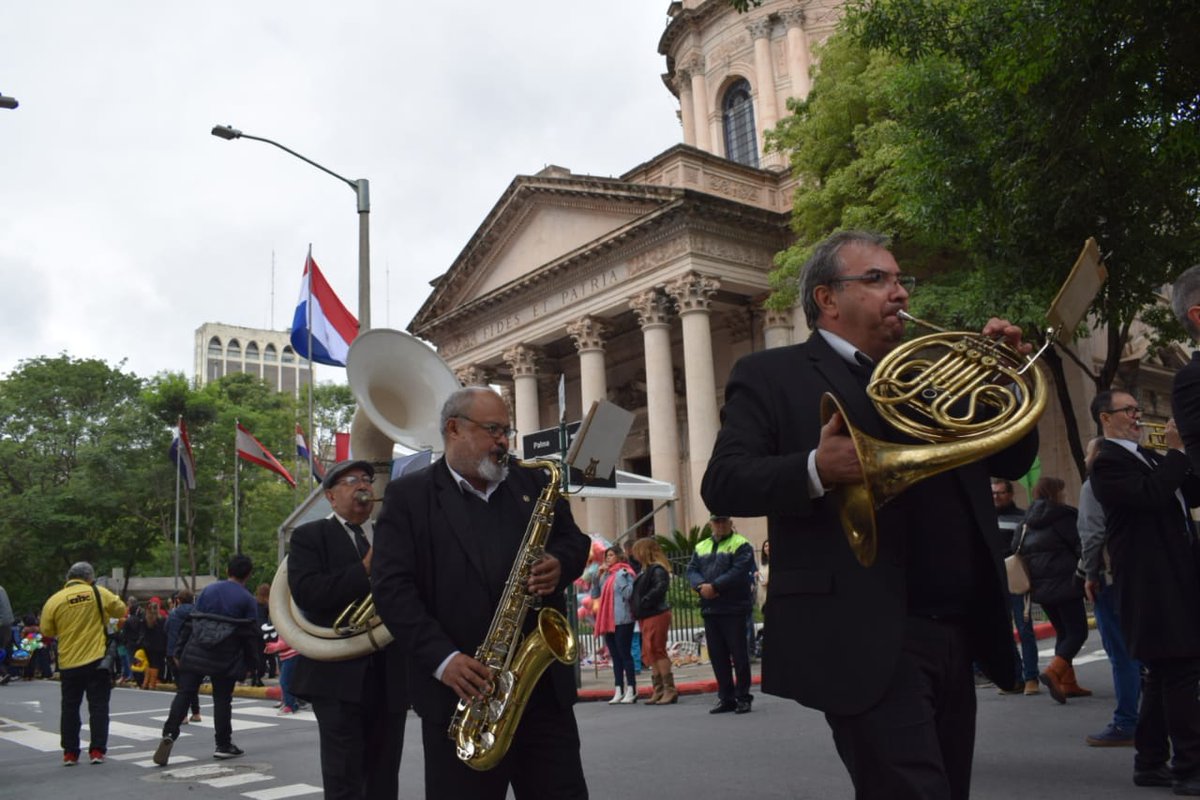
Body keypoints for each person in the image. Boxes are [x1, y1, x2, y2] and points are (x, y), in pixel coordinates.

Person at [701, 230, 1036, 799]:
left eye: (901, 279)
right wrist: (813, 467)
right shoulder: (772, 375)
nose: (900, 292)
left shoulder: (929, 370)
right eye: (877, 279)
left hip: (956, 626)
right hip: (866, 636)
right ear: (828, 299)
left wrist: (1006, 376)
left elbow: (1009, 453)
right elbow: (722, 483)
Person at [372, 386, 591, 800]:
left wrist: (560, 563)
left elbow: (574, 542)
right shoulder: (409, 497)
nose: (504, 441)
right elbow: (392, 589)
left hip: (541, 697)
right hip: (461, 700)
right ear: (454, 429)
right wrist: (444, 660)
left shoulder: (536, 482)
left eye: (507, 430)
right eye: (493, 430)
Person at [1090, 388, 1200, 792]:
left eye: (1138, 409)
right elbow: (1152, 495)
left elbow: (1188, 492)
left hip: (1175, 577)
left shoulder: (1147, 457)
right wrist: (1175, 453)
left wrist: (1188, 452)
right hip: (1151, 583)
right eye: (1129, 410)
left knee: (1163, 672)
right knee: (1183, 669)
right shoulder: (1108, 463)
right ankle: (1190, 767)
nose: (1138, 416)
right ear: (1105, 417)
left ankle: (1150, 762)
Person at [287, 459, 408, 800]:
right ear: (330, 496)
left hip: (390, 674)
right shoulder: (310, 536)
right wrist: (364, 569)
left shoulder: (391, 533)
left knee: (385, 776)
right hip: (337, 677)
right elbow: (308, 594)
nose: (363, 485)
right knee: (344, 778)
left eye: (367, 480)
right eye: (351, 480)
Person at [153, 554, 259, 766]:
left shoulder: (208, 591)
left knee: (185, 692)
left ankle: (169, 734)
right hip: (226, 655)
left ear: (228, 570)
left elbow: (192, 621)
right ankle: (223, 744)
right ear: (248, 574)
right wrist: (252, 664)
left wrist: (179, 650)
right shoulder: (247, 599)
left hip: (196, 649)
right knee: (222, 699)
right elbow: (251, 635)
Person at [1076, 436, 1138, 747]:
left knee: (1121, 653)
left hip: (1110, 577)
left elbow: (1092, 534)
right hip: (1141, 577)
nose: (1086, 458)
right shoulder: (1137, 479)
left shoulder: (1093, 487)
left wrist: (1090, 573)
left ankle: (1127, 721)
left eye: (1088, 452)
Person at [38, 562, 126, 766]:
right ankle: (96, 750)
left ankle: (70, 753)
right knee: (98, 706)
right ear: (90, 578)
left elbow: (47, 631)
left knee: (69, 707)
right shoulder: (98, 593)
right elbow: (120, 610)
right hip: (97, 660)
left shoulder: (54, 600)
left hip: (68, 662)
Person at [1019, 476, 1091, 703]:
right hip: (1066, 584)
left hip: (1040, 589)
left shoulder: (1026, 522)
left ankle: (1067, 683)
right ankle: (1054, 671)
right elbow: (1081, 545)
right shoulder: (1064, 517)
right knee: (1078, 632)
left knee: (1063, 632)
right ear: (1055, 493)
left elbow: (1016, 549)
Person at [686, 514, 755, 714]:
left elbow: (739, 571)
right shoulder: (701, 546)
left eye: (723, 521)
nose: (720, 525)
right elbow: (691, 570)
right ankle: (726, 697)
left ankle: (743, 697)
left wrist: (715, 586)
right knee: (718, 656)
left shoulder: (741, 544)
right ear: (711, 524)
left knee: (739, 655)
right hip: (710, 607)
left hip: (733, 607)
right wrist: (700, 586)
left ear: (730, 523)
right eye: (716, 521)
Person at [991, 478, 1039, 695]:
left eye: (1001, 493)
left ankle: (1031, 678)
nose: (996, 497)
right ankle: (1015, 678)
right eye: (993, 493)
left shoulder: (1022, 517)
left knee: (1025, 629)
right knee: (1002, 632)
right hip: (994, 581)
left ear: (1010, 494)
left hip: (1016, 578)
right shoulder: (986, 518)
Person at [630, 537, 677, 704]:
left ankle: (668, 689)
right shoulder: (648, 569)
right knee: (650, 651)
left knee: (657, 650)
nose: (634, 554)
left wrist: (645, 601)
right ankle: (659, 689)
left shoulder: (657, 569)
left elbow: (659, 588)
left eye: (637, 551)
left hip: (655, 614)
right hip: (647, 614)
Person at [594, 546, 638, 704]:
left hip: (623, 619)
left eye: (611, 555)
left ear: (619, 557)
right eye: (606, 556)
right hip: (608, 621)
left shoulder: (624, 573)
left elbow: (629, 594)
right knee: (615, 656)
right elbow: (595, 594)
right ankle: (618, 688)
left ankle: (632, 688)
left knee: (624, 654)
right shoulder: (607, 575)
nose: (607, 558)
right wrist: (597, 577)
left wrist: (619, 580)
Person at [165, 589, 202, 724]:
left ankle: (183, 715)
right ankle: (196, 712)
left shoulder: (174, 614)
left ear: (178, 600)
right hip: (193, 652)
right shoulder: (197, 613)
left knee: (181, 686)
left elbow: (166, 629)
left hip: (174, 652)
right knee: (192, 684)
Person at [139, 597, 167, 690]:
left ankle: (145, 683)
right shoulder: (162, 620)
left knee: (149, 663)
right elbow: (164, 632)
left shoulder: (145, 620)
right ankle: (152, 683)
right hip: (159, 645)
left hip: (148, 645)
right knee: (156, 664)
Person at [0, 585, 13, 686]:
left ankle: (4, 673)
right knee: (2, 649)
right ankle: (5, 672)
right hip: (8, 623)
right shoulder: (2, 589)